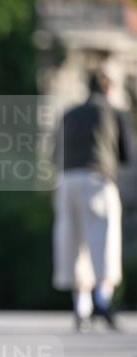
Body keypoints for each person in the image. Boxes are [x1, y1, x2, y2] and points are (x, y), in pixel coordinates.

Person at [53, 65, 132, 331]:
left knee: (73, 242)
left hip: (67, 180)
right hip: (98, 179)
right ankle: (102, 301)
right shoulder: (114, 112)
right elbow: (124, 155)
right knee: (102, 239)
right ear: (108, 87)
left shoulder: (69, 114)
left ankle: (81, 305)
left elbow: (54, 153)